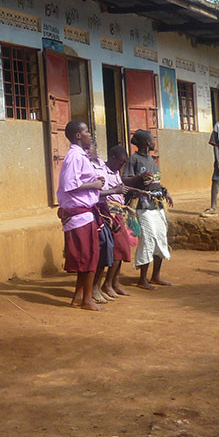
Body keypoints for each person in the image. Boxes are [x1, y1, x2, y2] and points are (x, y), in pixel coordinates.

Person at [56, 120, 105, 311]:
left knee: (88, 257)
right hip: (79, 214)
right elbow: (70, 184)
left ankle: (78, 297)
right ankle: (87, 300)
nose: (89, 134)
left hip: (85, 214)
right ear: (78, 135)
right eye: (86, 131)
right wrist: (93, 185)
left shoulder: (81, 156)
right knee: (88, 257)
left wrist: (95, 181)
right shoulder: (74, 157)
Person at [124, 130, 174, 290]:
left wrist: (165, 191)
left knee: (160, 237)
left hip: (156, 205)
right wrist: (140, 177)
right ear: (147, 142)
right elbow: (124, 181)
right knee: (148, 238)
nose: (154, 142)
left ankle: (155, 276)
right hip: (141, 205)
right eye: (152, 140)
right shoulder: (134, 160)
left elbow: (155, 182)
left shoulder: (151, 160)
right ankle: (142, 279)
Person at [95, 145, 138, 299]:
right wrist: (117, 191)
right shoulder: (102, 172)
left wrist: (135, 191)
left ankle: (114, 282)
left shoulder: (115, 172)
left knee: (122, 249)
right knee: (117, 249)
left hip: (119, 211)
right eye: (120, 162)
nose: (121, 166)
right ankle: (106, 284)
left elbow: (120, 189)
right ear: (112, 158)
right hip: (110, 212)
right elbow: (104, 193)